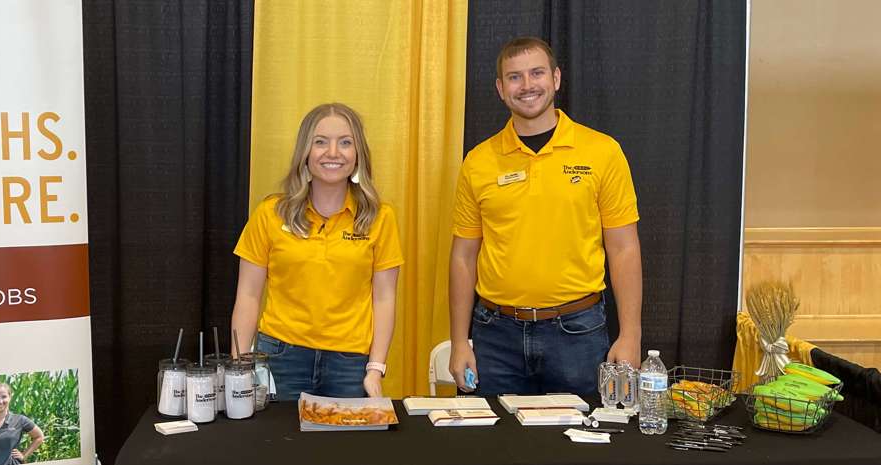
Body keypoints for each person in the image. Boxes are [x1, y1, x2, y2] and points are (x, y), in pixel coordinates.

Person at [449, 37, 644, 399]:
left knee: (579, 448)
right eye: (514, 77)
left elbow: (623, 249)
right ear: (500, 88)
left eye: (536, 73)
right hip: (494, 337)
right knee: (486, 449)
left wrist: (630, 334)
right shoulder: (478, 162)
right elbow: (463, 257)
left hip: (578, 333)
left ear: (555, 78)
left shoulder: (602, 152)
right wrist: (460, 342)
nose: (527, 86)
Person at [230, 103, 403, 400]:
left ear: (358, 153)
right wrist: (238, 367)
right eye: (320, 142)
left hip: (350, 364)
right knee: (277, 445)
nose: (333, 152)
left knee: (344, 448)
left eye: (345, 142)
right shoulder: (271, 213)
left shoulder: (380, 217)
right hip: (280, 357)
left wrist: (375, 369)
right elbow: (248, 295)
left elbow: (385, 298)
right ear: (304, 152)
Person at [0, 383, 45, 465]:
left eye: (4, 397)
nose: (0, 401)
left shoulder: (20, 420)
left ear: (10, 398)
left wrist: (24, 455)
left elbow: (39, 436)